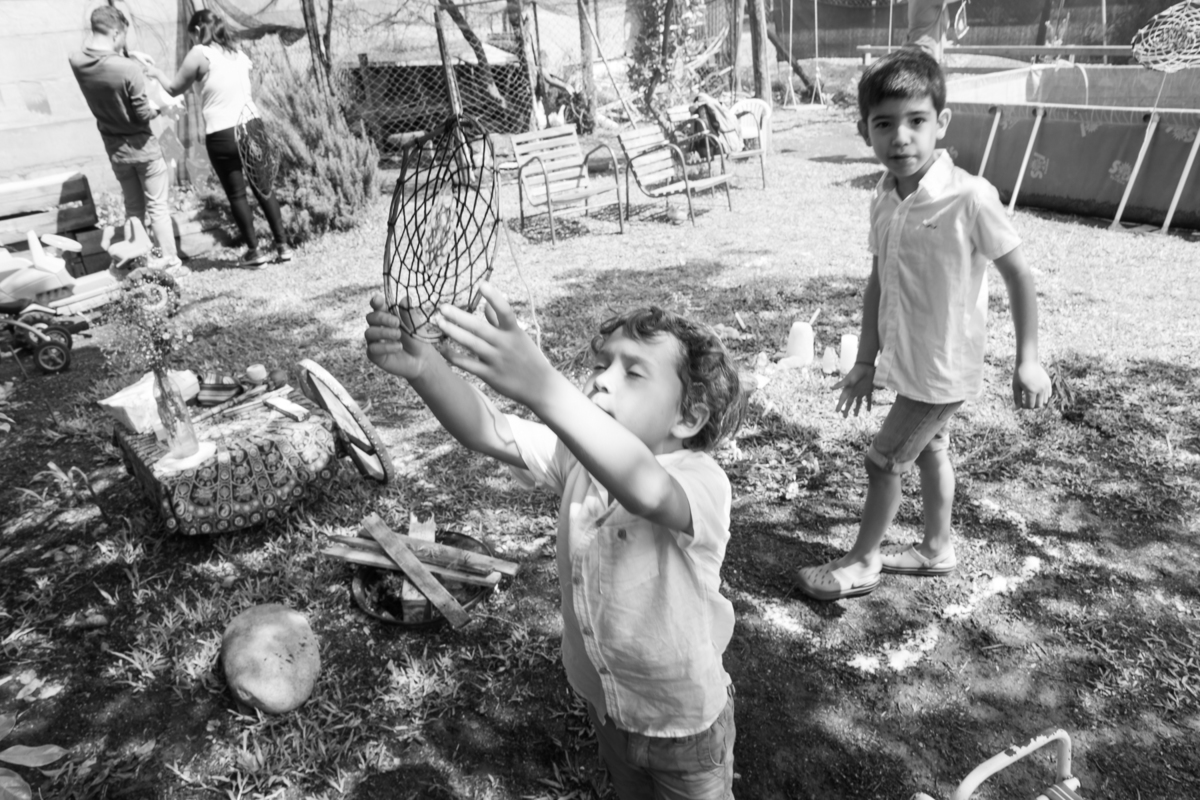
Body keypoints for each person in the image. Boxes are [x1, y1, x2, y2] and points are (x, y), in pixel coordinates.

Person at [365, 286, 746, 798]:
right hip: (608, 706)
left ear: (689, 418)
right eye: (600, 366)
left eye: (632, 372)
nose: (602, 382)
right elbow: (491, 431)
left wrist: (545, 388)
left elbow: (648, 493)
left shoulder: (700, 480)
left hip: (685, 728)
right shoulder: (579, 461)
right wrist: (423, 366)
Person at [795, 49, 1051, 602]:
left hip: (942, 369)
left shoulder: (970, 197)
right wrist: (865, 360)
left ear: (942, 123)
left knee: (883, 459)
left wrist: (1028, 359)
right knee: (932, 450)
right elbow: (878, 282)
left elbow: (1019, 276)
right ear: (865, 131)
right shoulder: (885, 199)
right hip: (906, 362)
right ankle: (937, 548)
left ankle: (863, 561)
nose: (901, 137)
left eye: (916, 121)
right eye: (884, 124)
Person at [142, 9, 291, 269]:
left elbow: (174, 87)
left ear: (198, 30)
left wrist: (155, 73)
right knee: (264, 188)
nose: (191, 42)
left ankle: (255, 253)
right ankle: (283, 247)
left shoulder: (200, 53)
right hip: (252, 126)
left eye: (191, 36)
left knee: (236, 194)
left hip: (223, 133)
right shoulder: (238, 53)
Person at [69, 6, 186, 276]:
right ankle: (170, 263)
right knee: (157, 206)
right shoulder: (129, 70)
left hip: (116, 152)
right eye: (124, 38)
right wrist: (165, 108)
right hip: (144, 149)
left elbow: (103, 62)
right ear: (116, 32)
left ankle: (139, 258)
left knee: (133, 206)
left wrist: (128, 56)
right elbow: (144, 114)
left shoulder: (75, 61)